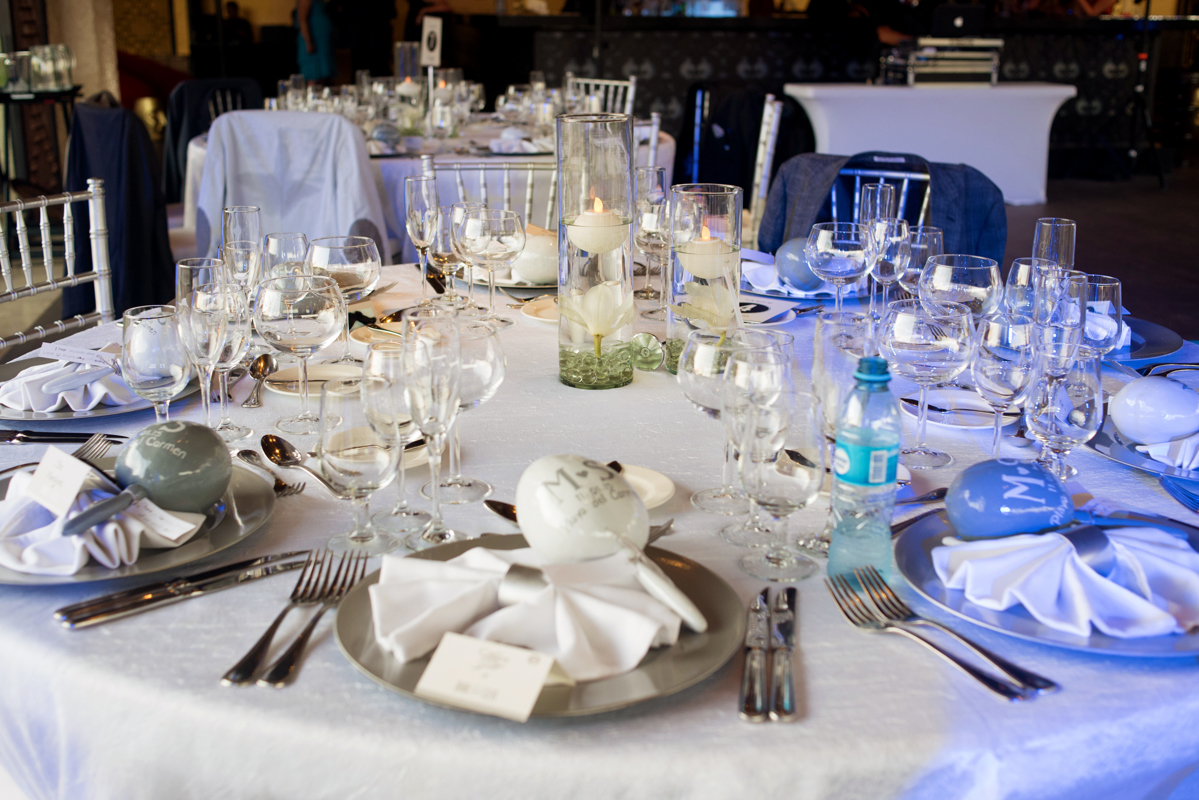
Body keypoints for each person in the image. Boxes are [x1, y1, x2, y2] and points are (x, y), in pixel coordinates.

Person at [296, 0, 336, 83]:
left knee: (324, 76)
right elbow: (302, 19)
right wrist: (308, 42)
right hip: (313, 40)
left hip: (323, 42)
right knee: (313, 73)